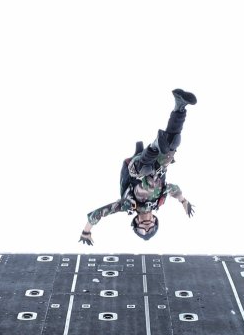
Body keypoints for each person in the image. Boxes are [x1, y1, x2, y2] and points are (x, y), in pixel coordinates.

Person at [79, 89, 197, 245]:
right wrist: (184, 202)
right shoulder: (159, 201)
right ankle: (180, 105)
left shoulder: (128, 205)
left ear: (136, 222)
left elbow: (99, 213)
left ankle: (155, 147)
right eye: (150, 229)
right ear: (155, 221)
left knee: (144, 168)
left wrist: (86, 231)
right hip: (159, 166)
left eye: (142, 229)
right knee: (172, 143)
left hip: (136, 169)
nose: (146, 227)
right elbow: (174, 189)